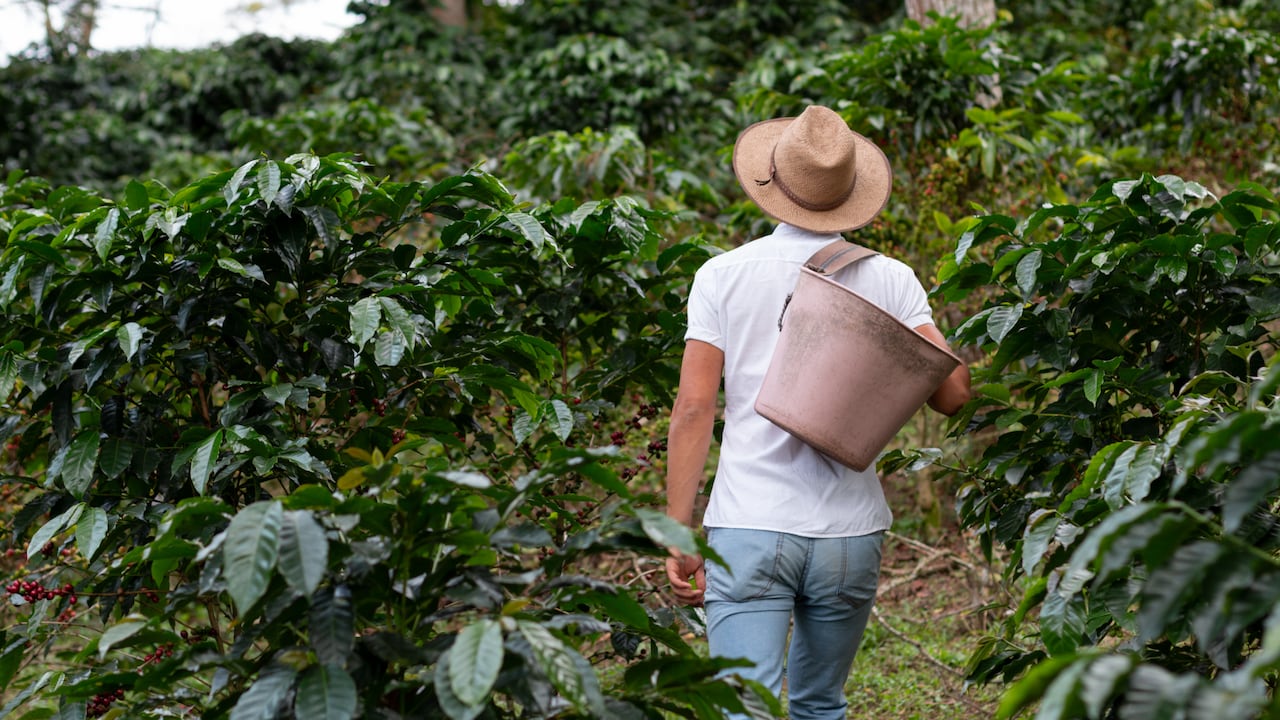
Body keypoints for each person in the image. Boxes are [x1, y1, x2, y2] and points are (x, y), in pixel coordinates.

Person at [663, 105, 972, 720]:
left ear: (772, 183)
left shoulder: (722, 275)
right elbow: (954, 394)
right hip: (848, 534)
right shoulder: (892, 278)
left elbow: (695, 409)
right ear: (850, 194)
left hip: (749, 523)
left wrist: (678, 531)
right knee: (820, 706)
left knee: (743, 709)